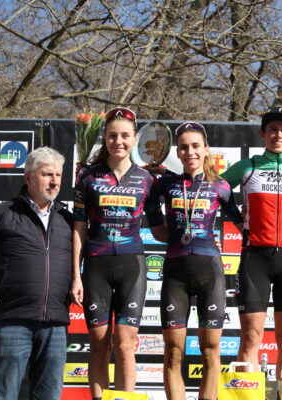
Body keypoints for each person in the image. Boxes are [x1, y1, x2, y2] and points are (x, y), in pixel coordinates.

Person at [70, 107, 166, 399]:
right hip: (96, 267)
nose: (118, 142)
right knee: (99, 346)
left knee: (125, 345)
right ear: (105, 138)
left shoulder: (147, 179)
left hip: (131, 267)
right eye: (112, 136)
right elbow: (79, 227)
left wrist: (193, 239)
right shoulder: (87, 176)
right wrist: (76, 274)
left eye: (125, 136)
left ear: (135, 139)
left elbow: (159, 229)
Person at [221, 106, 282, 377]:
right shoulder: (248, 166)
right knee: (251, 335)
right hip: (255, 258)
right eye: (273, 129)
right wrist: (237, 221)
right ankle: (247, 394)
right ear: (262, 134)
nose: (278, 135)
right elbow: (217, 190)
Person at [0, 147, 72, 400]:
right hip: (11, 322)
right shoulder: (2, 214)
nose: (54, 181)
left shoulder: (68, 220)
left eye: (58, 175)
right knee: (3, 394)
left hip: (55, 324)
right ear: (28, 177)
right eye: (47, 174)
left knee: (49, 395)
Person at [156, 121, 243, 400]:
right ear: (177, 152)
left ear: (206, 149)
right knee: (173, 351)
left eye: (195, 146)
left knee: (210, 351)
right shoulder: (166, 184)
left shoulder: (221, 186)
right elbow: (155, 227)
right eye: (183, 147)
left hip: (210, 272)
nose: (190, 152)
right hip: (176, 272)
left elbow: (244, 226)